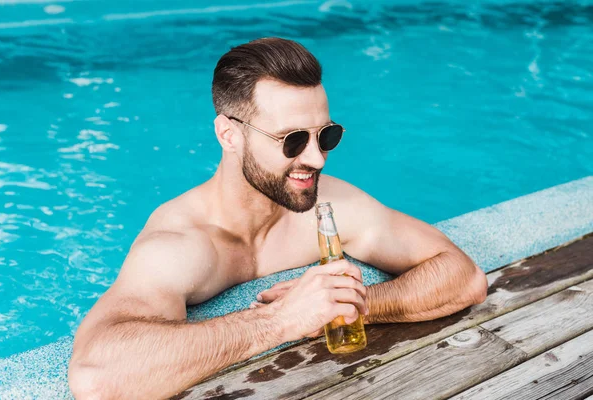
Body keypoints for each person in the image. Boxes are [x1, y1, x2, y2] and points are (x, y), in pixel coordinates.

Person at [68, 37, 488, 400]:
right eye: (292, 140)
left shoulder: (332, 206)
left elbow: (465, 277)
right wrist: (280, 321)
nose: (316, 158)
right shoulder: (181, 242)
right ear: (229, 135)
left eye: (326, 135)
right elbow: (97, 377)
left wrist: (351, 305)